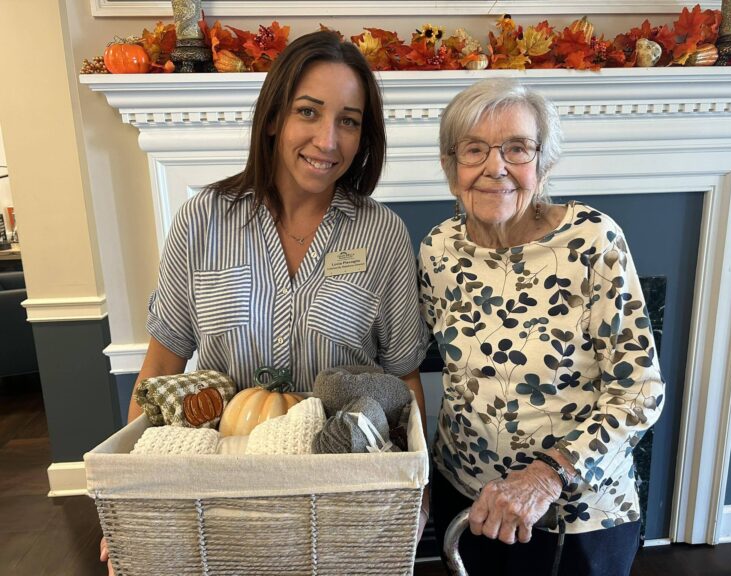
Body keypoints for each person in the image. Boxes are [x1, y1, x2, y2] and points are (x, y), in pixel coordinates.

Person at [100, 30, 430, 574]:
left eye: (348, 120)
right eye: (309, 111)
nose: (328, 140)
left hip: (344, 499)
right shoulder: (203, 221)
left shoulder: (383, 234)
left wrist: (417, 495)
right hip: (221, 496)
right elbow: (161, 368)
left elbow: (405, 383)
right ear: (274, 117)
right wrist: (127, 500)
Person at [418, 78, 664, 576]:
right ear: (451, 167)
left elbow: (640, 392)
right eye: (474, 150)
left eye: (517, 148)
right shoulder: (437, 250)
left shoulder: (592, 240)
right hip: (467, 499)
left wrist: (547, 475)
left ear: (543, 162)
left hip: (574, 512)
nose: (495, 167)